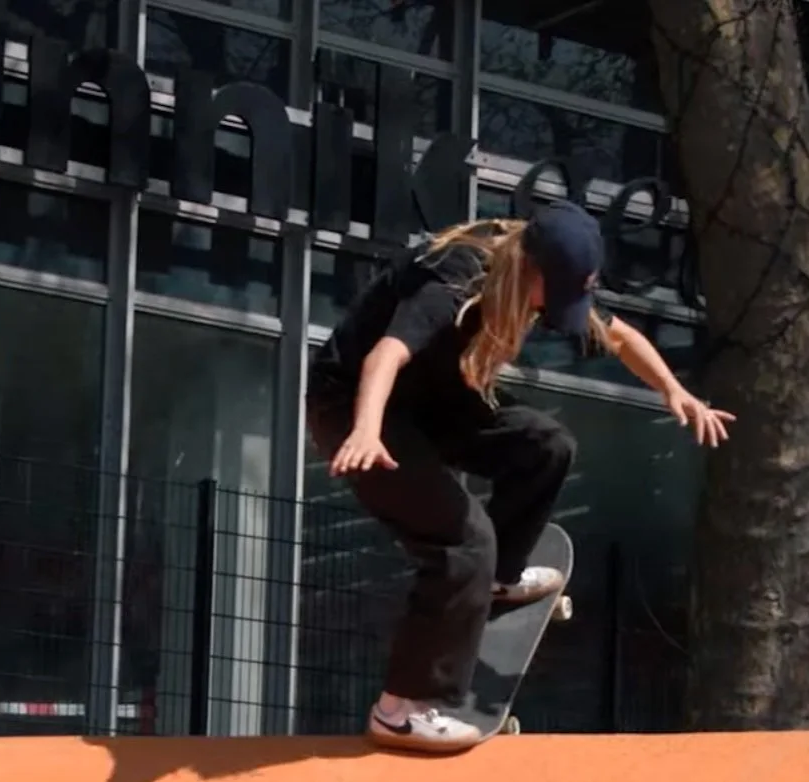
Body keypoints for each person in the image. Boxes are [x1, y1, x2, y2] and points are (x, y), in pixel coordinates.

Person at [305, 200, 733, 753]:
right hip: (356, 408)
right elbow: (384, 356)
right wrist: (365, 431)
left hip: (433, 399)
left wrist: (674, 390)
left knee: (545, 445)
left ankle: (500, 576)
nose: (551, 314)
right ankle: (400, 708)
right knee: (462, 540)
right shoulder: (455, 282)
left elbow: (618, 336)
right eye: (549, 299)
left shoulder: (534, 261)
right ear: (528, 271)